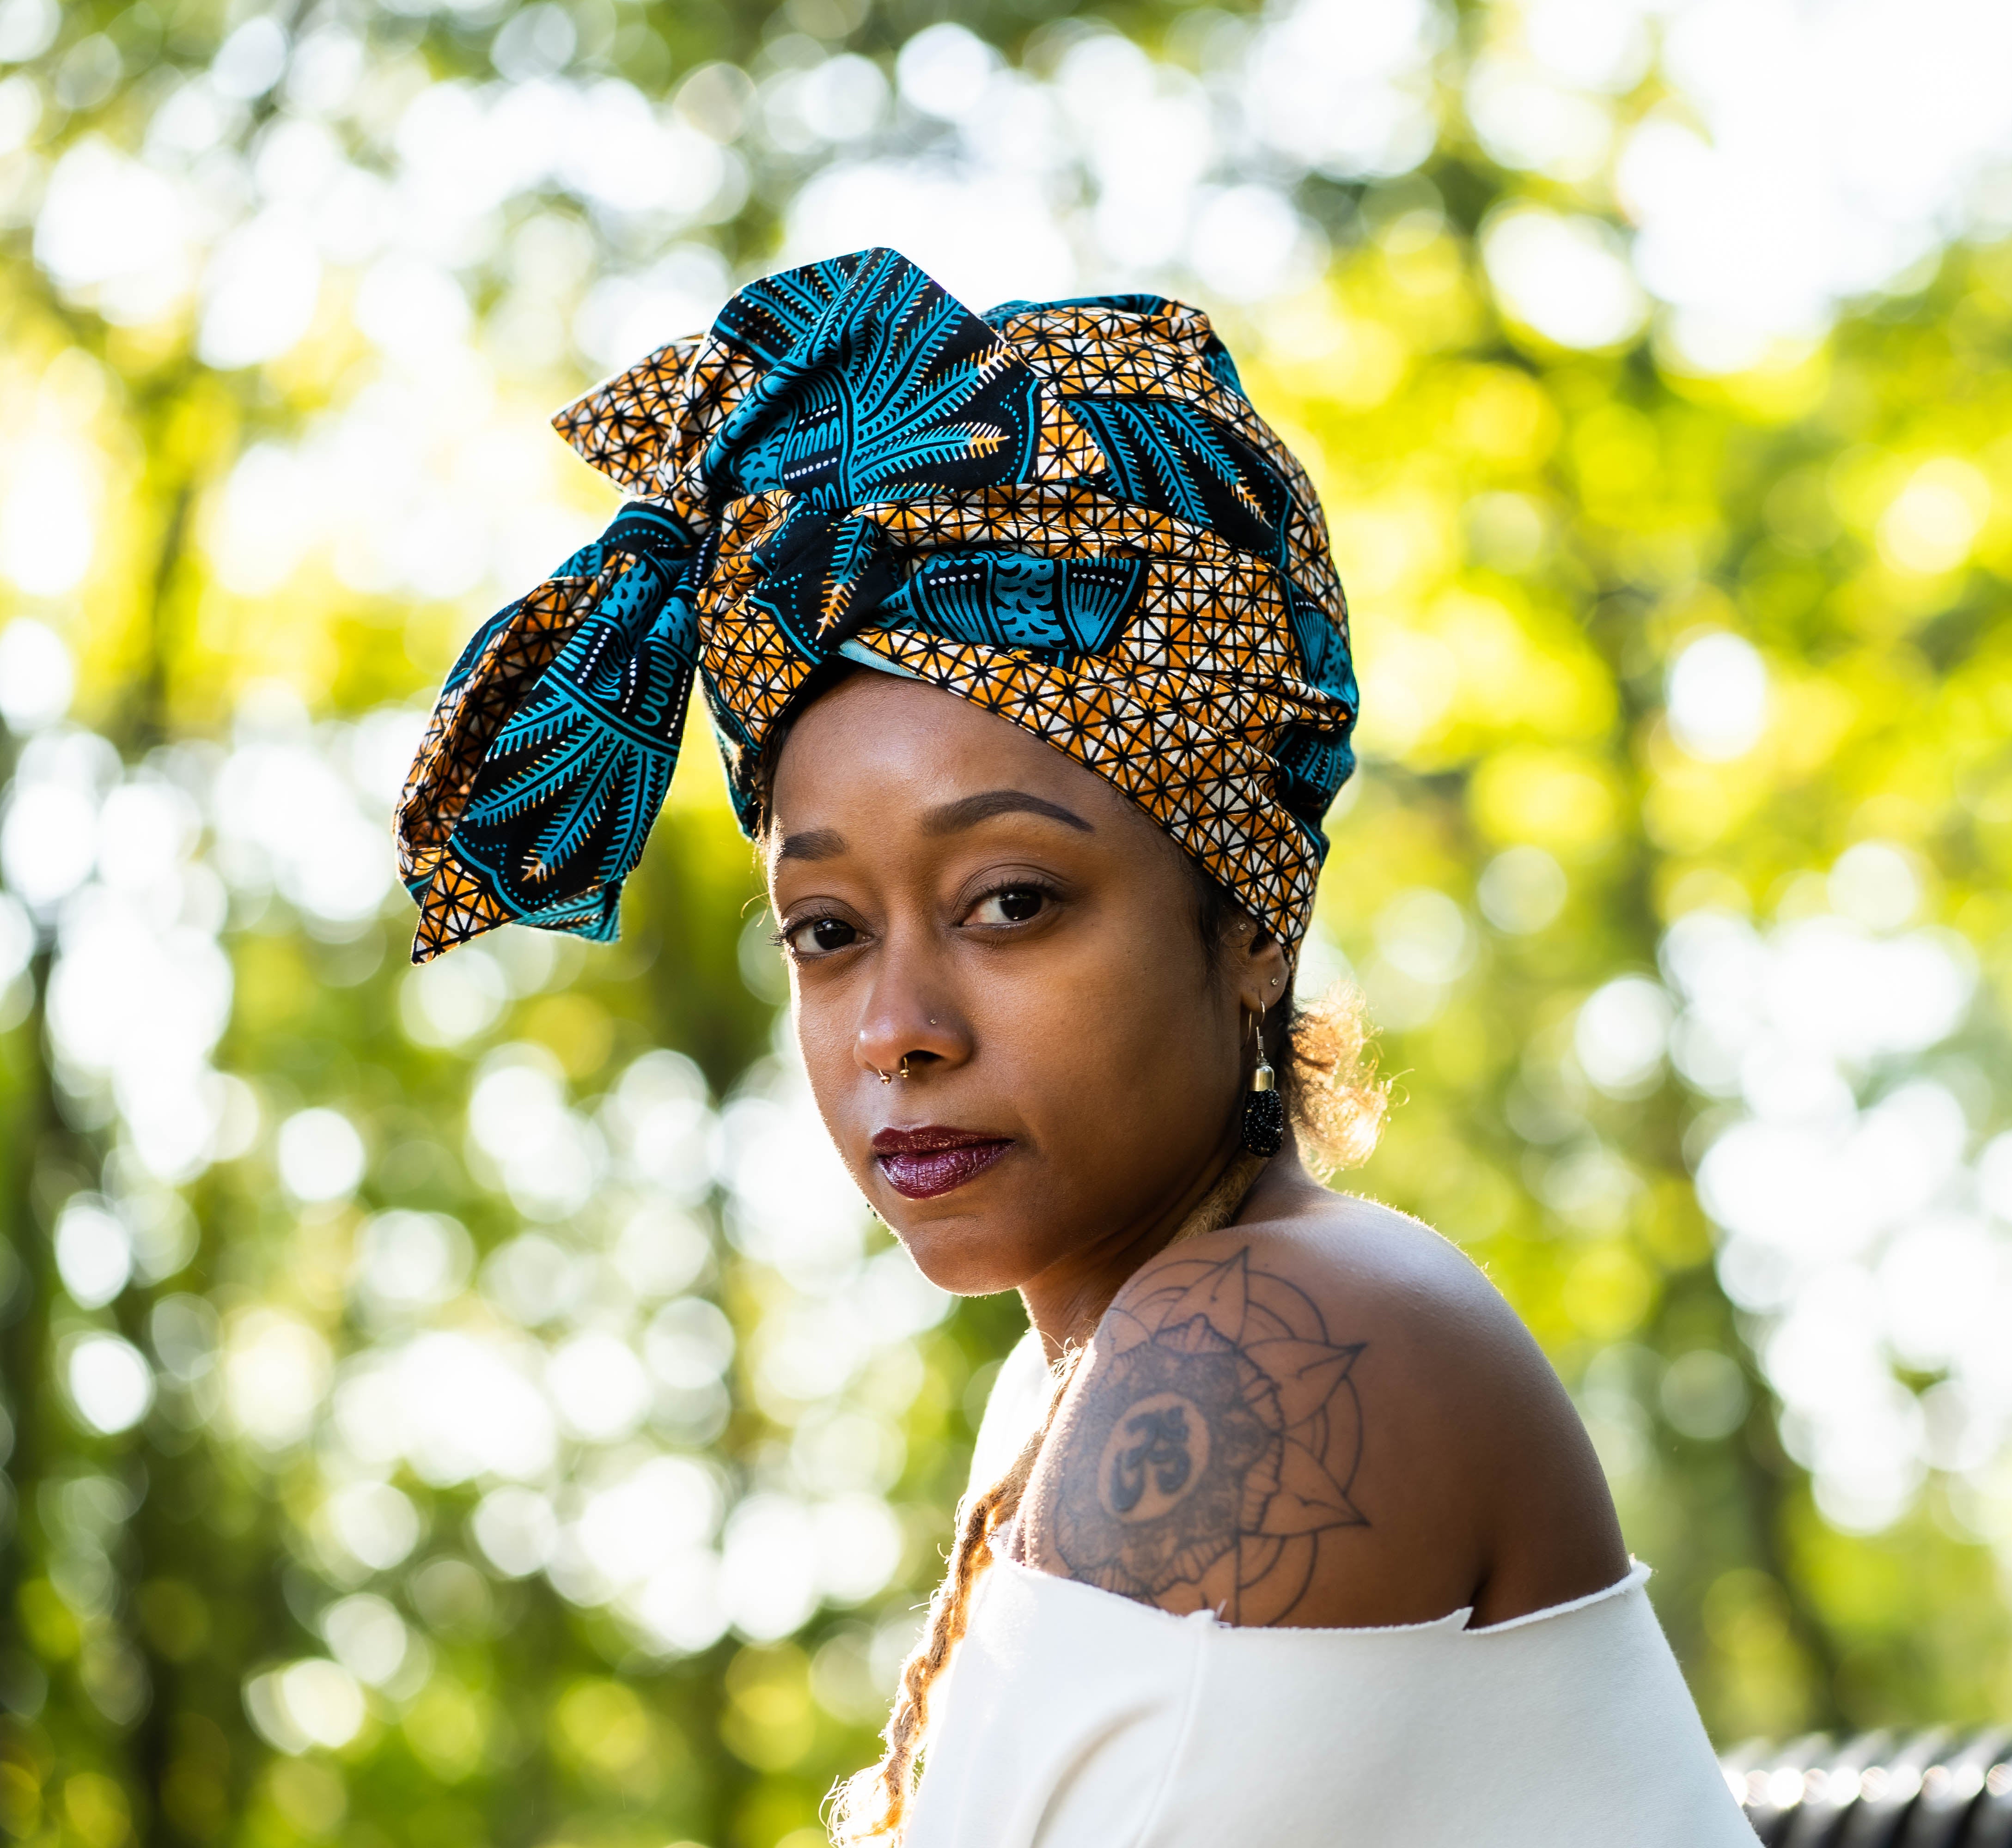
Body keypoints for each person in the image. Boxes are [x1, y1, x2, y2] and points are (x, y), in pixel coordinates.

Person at [394, 248, 1756, 1847]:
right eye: (826, 931)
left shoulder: (1261, 1347)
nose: (896, 1030)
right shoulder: (1096, 1370)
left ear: (1252, 921)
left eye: (1012, 903)